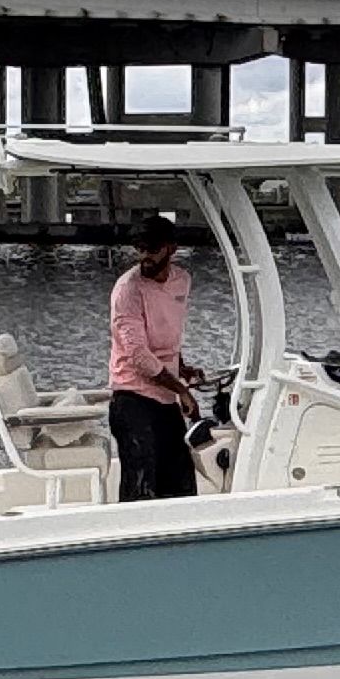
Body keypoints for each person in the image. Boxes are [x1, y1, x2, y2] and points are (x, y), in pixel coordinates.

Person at [105, 214, 199, 501]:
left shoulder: (182, 281)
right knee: (141, 485)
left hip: (164, 397)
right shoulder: (127, 290)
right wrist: (182, 390)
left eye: (153, 249)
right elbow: (140, 357)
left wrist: (181, 367)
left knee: (181, 483)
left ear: (171, 249)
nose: (145, 256)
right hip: (132, 397)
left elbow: (168, 336)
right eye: (140, 249)